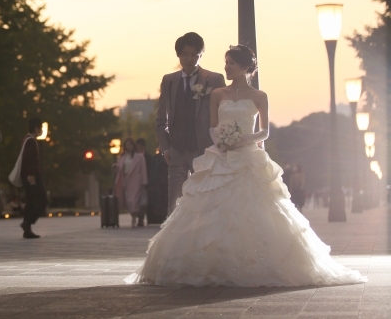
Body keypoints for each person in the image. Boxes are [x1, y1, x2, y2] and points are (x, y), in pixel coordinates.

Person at [126, 45, 366, 286]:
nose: (226, 67)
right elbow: (212, 125)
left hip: (248, 154)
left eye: (231, 63)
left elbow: (264, 131)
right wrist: (221, 138)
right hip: (221, 154)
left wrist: (242, 139)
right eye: (226, 62)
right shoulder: (218, 93)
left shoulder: (259, 96)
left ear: (244, 67)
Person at [155, 32, 226, 216]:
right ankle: (172, 242)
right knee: (174, 202)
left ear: (201, 54)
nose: (189, 59)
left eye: (194, 54)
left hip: (202, 149)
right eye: (185, 54)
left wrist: (216, 147)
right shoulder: (169, 80)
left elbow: (222, 115)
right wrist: (165, 148)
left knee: (204, 198)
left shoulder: (214, 79)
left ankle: (202, 239)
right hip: (176, 149)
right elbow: (160, 120)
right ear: (178, 55)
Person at [20, 117, 48, 239]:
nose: (42, 131)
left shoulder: (27, 139)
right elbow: (27, 159)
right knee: (43, 200)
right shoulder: (31, 140)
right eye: (41, 128)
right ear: (36, 128)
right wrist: (31, 175)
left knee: (30, 201)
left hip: (28, 174)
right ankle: (27, 223)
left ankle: (27, 230)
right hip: (32, 175)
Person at [115, 138, 148, 228]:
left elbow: (143, 169)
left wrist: (144, 182)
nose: (128, 146)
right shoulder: (122, 157)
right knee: (129, 201)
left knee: (135, 200)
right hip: (126, 180)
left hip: (136, 180)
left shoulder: (140, 157)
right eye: (127, 145)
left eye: (130, 144)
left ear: (133, 146)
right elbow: (119, 169)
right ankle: (133, 215)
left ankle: (135, 217)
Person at [135, 139, 152, 226]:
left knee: (143, 201)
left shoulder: (148, 158)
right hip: (136, 182)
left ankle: (141, 218)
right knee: (137, 200)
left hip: (146, 182)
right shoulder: (134, 157)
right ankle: (138, 217)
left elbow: (151, 170)